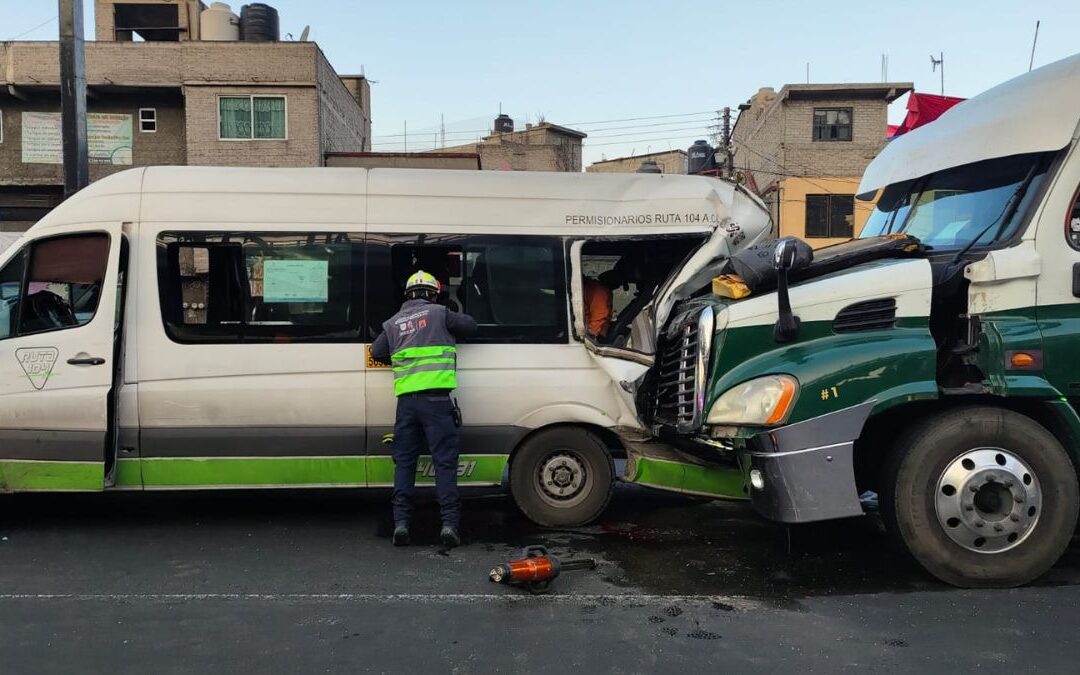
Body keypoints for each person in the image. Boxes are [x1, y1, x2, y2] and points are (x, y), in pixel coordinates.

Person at [371, 270, 478, 548]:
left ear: (408, 295)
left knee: (405, 463)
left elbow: (377, 351)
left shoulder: (394, 323)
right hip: (437, 403)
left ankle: (402, 524)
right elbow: (470, 326)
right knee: (444, 463)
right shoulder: (441, 313)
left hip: (406, 405)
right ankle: (449, 526)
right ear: (433, 293)